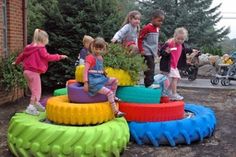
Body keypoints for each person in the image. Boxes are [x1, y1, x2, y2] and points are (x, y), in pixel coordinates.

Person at [13, 29, 68, 115]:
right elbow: (47, 57)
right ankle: (31, 107)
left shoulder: (29, 48)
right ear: (43, 39)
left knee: (33, 89)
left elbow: (21, 56)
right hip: (34, 72)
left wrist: (16, 62)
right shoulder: (41, 48)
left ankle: (36, 103)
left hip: (26, 72)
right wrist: (59, 56)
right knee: (37, 91)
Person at [83, 37, 124, 117]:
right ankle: (116, 111)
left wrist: (104, 72)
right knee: (109, 92)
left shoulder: (100, 58)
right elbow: (85, 71)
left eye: (100, 49)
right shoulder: (90, 57)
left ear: (103, 49)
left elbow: (100, 68)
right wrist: (86, 83)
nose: (98, 51)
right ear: (92, 47)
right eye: (96, 48)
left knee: (115, 80)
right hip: (94, 82)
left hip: (101, 79)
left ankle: (114, 96)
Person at [159, 27, 197, 100]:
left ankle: (168, 92)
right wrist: (166, 52)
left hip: (174, 66)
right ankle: (173, 93)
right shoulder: (170, 43)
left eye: (182, 39)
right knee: (175, 78)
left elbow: (184, 50)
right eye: (178, 38)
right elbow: (161, 51)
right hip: (168, 65)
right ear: (174, 36)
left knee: (175, 79)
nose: (180, 41)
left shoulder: (181, 45)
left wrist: (192, 50)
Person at [138, 10, 165, 88]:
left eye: (162, 21)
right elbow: (140, 39)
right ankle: (148, 84)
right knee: (149, 68)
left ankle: (150, 82)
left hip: (152, 52)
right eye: (159, 21)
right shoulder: (147, 28)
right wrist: (141, 50)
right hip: (146, 52)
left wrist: (157, 51)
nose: (161, 23)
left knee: (151, 67)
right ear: (153, 19)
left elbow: (155, 42)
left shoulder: (157, 28)